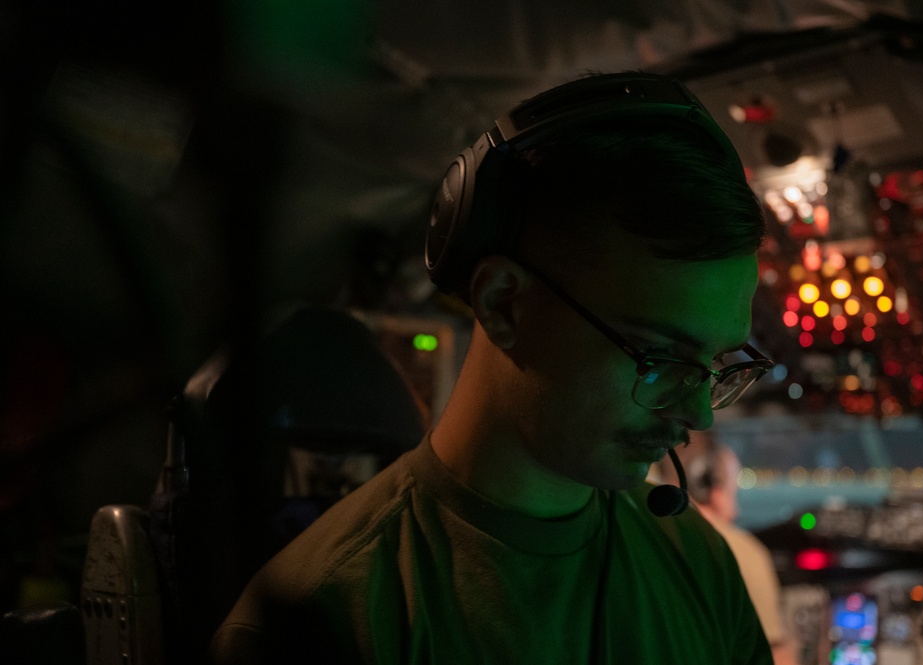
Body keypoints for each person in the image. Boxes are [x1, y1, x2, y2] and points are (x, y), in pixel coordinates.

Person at [209, 71, 777, 664]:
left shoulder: (698, 562)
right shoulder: (327, 617)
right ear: (504, 303)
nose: (700, 412)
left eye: (715, 364)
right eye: (659, 356)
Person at [650, 431, 799, 665]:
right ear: (706, 481)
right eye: (731, 488)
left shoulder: (638, 530)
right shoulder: (738, 549)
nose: (736, 510)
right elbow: (774, 657)